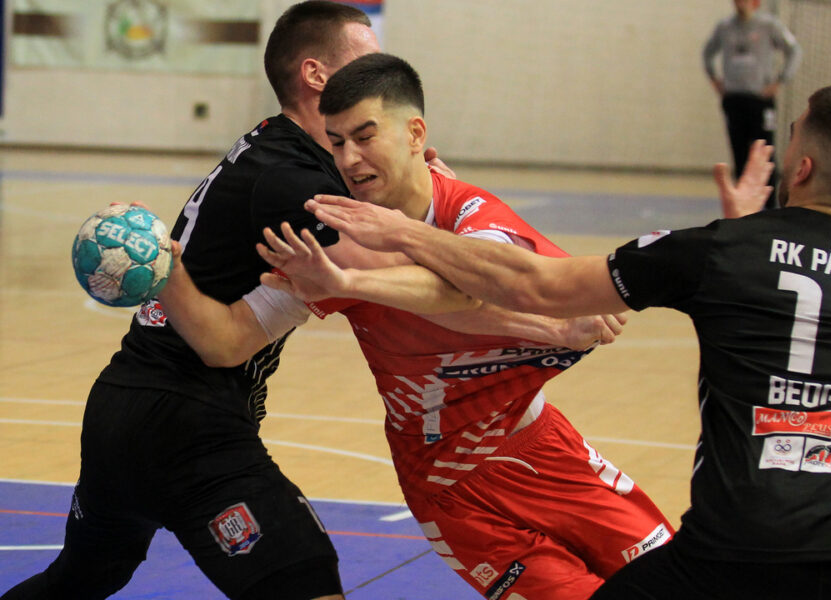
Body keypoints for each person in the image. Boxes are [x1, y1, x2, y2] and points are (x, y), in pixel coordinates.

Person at [298, 85, 831, 599]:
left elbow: (536, 286)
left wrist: (401, 233)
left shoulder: (722, 252)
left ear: (798, 169)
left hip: (748, 537)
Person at [0, 4, 471, 599]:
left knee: (82, 578)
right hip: (188, 421)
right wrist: (447, 210)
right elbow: (428, 282)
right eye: (366, 57)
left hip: (125, 405)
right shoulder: (294, 181)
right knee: (305, 580)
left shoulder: (279, 153)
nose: (381, 73)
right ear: (316, 75)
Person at [256, 52, 674, 600]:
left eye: (365, 136)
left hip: (543, 448)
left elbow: (477, 287)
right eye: (336, 143)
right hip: (448, 484)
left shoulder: (471, 211)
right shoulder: (338, 241)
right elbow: (235, 335)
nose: (350, 158)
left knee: (681, 582)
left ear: (415, 134)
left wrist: (367, 266)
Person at [703, 0, 802, 209]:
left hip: (760, 100)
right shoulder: (725, 27)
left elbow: (794, 50)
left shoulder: (768, 25)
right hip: (734, 99)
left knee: (765, 151)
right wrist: (715, 79)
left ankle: (770, 206)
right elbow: (707, 53)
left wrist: (780, 80)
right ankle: (743, 203)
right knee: (739, 152)